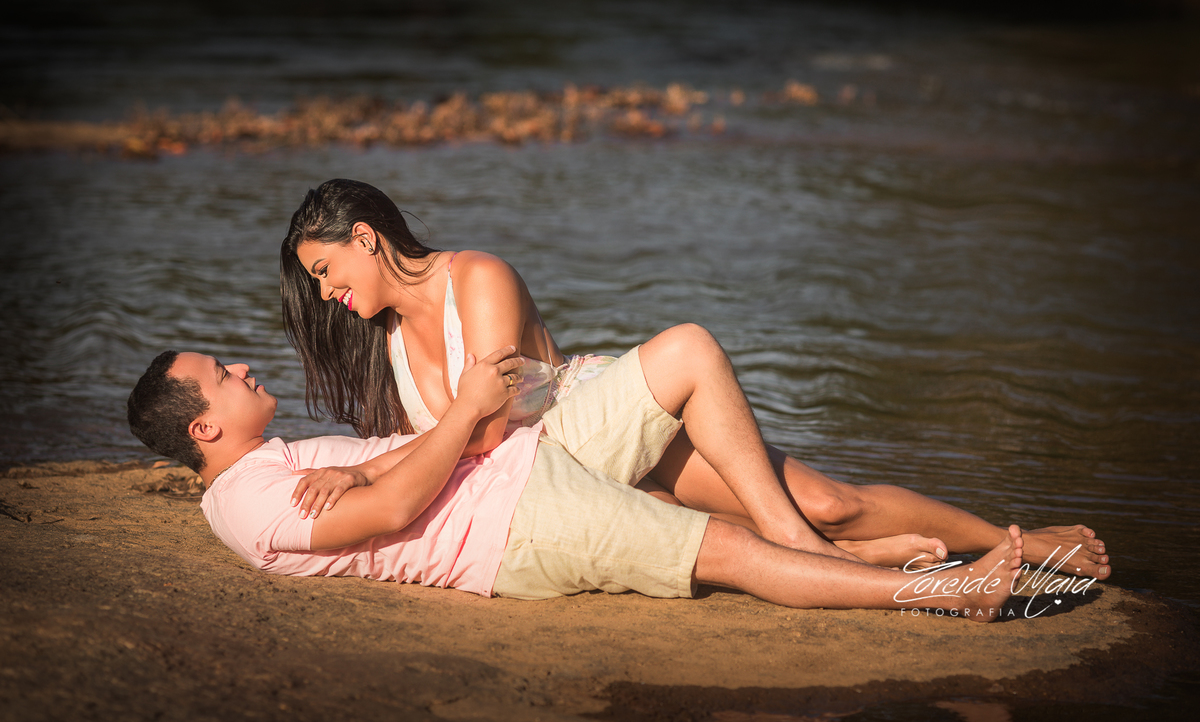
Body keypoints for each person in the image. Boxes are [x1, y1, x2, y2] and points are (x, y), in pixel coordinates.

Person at [280, 179, 1110, 578]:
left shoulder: (478, 277)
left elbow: (488, 423)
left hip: (599, 422)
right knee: (749, 524)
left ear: (367, 237)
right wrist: (363, 471)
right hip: (554, 479)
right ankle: (867, 557)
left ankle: (1019, 542)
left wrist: (376, 469)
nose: (326, 294)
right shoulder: (389, 339)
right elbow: (444, 441)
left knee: (825, 502)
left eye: (325, 270)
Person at [126, 343, 1025, 620]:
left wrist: (392, 449)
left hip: (517, 460)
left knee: (687, 351)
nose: (243, 369)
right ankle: (949, 591)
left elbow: (391, 465)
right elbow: (396, 508)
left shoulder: (272, 462)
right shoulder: (247, 503)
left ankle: (820, 545)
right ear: (203, 427)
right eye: (223, 375)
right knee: (727, 551)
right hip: (516, 524)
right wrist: (463, 412)